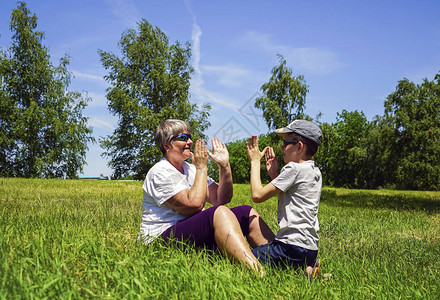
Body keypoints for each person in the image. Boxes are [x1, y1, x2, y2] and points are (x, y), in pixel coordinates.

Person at [139, 119, 275, 276]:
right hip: (160, 241)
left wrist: (224, 166)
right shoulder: (161, 172)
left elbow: (221, 198)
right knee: (220, 213)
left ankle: (283, 262)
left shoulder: (189, 168)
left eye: (189, 136)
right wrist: (202, 167)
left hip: (189, 232)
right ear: (166, 145)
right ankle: (258, 273)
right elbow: (194, 205)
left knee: (246, 212)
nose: (190, 142)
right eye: (183, 138)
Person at [245, 119, 322, 279]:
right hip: (309, 249)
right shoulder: (314, 171)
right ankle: (306, 270)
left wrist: (254, 161)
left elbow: (257, 196)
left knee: (243, 259)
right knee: (283, 270)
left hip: (290, 247)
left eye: (285, 143)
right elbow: (293, 191)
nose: (281, 147)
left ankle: (303, 271)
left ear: (299, 146)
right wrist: (274, 174)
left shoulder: (293, 168)